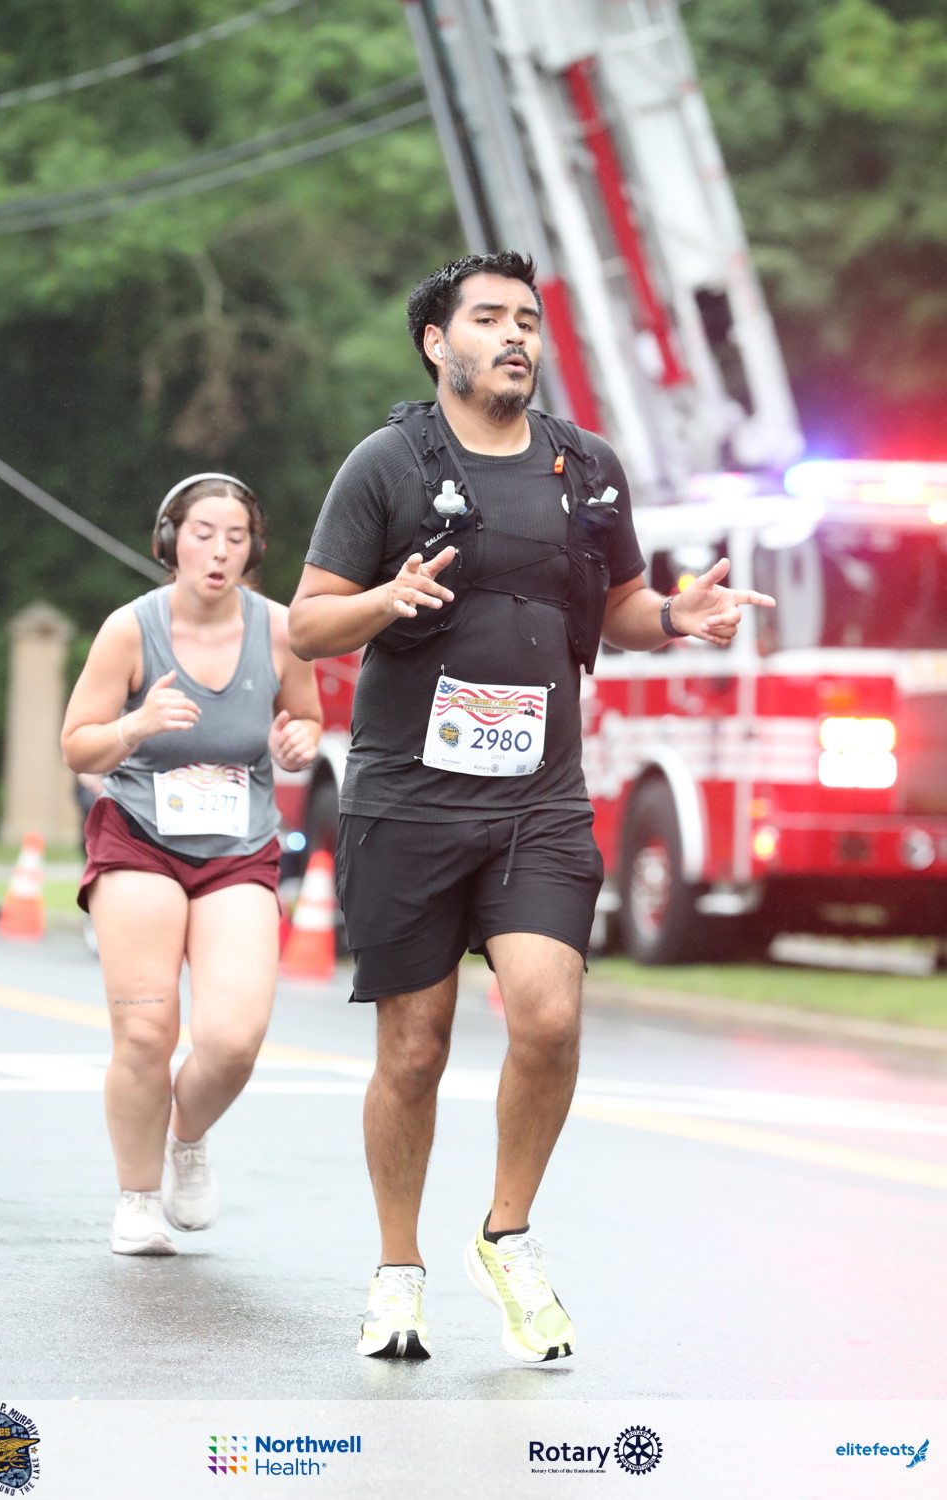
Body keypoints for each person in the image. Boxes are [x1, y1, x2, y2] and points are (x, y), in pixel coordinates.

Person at [287, 252, 775, 1364]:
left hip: (539, 799)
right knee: (414, 1048)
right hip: (409, 799)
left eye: (529, 320)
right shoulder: (387, 464)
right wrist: (384, 598)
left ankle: (505, 1235)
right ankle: (397, 1270)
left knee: (548, 1015)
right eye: (490, 319)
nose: (516, 336)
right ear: (437, 343)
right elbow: (308, 625)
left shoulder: (585, 467)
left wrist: (677, 616)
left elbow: (619, 608)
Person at [61, 473, 321, 1255]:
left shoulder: (280, 629)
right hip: (140, 837)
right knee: (146, 1032)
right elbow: (78, 745)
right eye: (203, 534)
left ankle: (187, 1137)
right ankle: (138, 1200)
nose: (218, 552)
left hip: (238, 849)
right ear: (170, 540)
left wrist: (298, 740)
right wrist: (136, 726)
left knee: (233, 1039)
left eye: (235, 538)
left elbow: (306, 716)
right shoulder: (130, 630)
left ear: (253, 551)